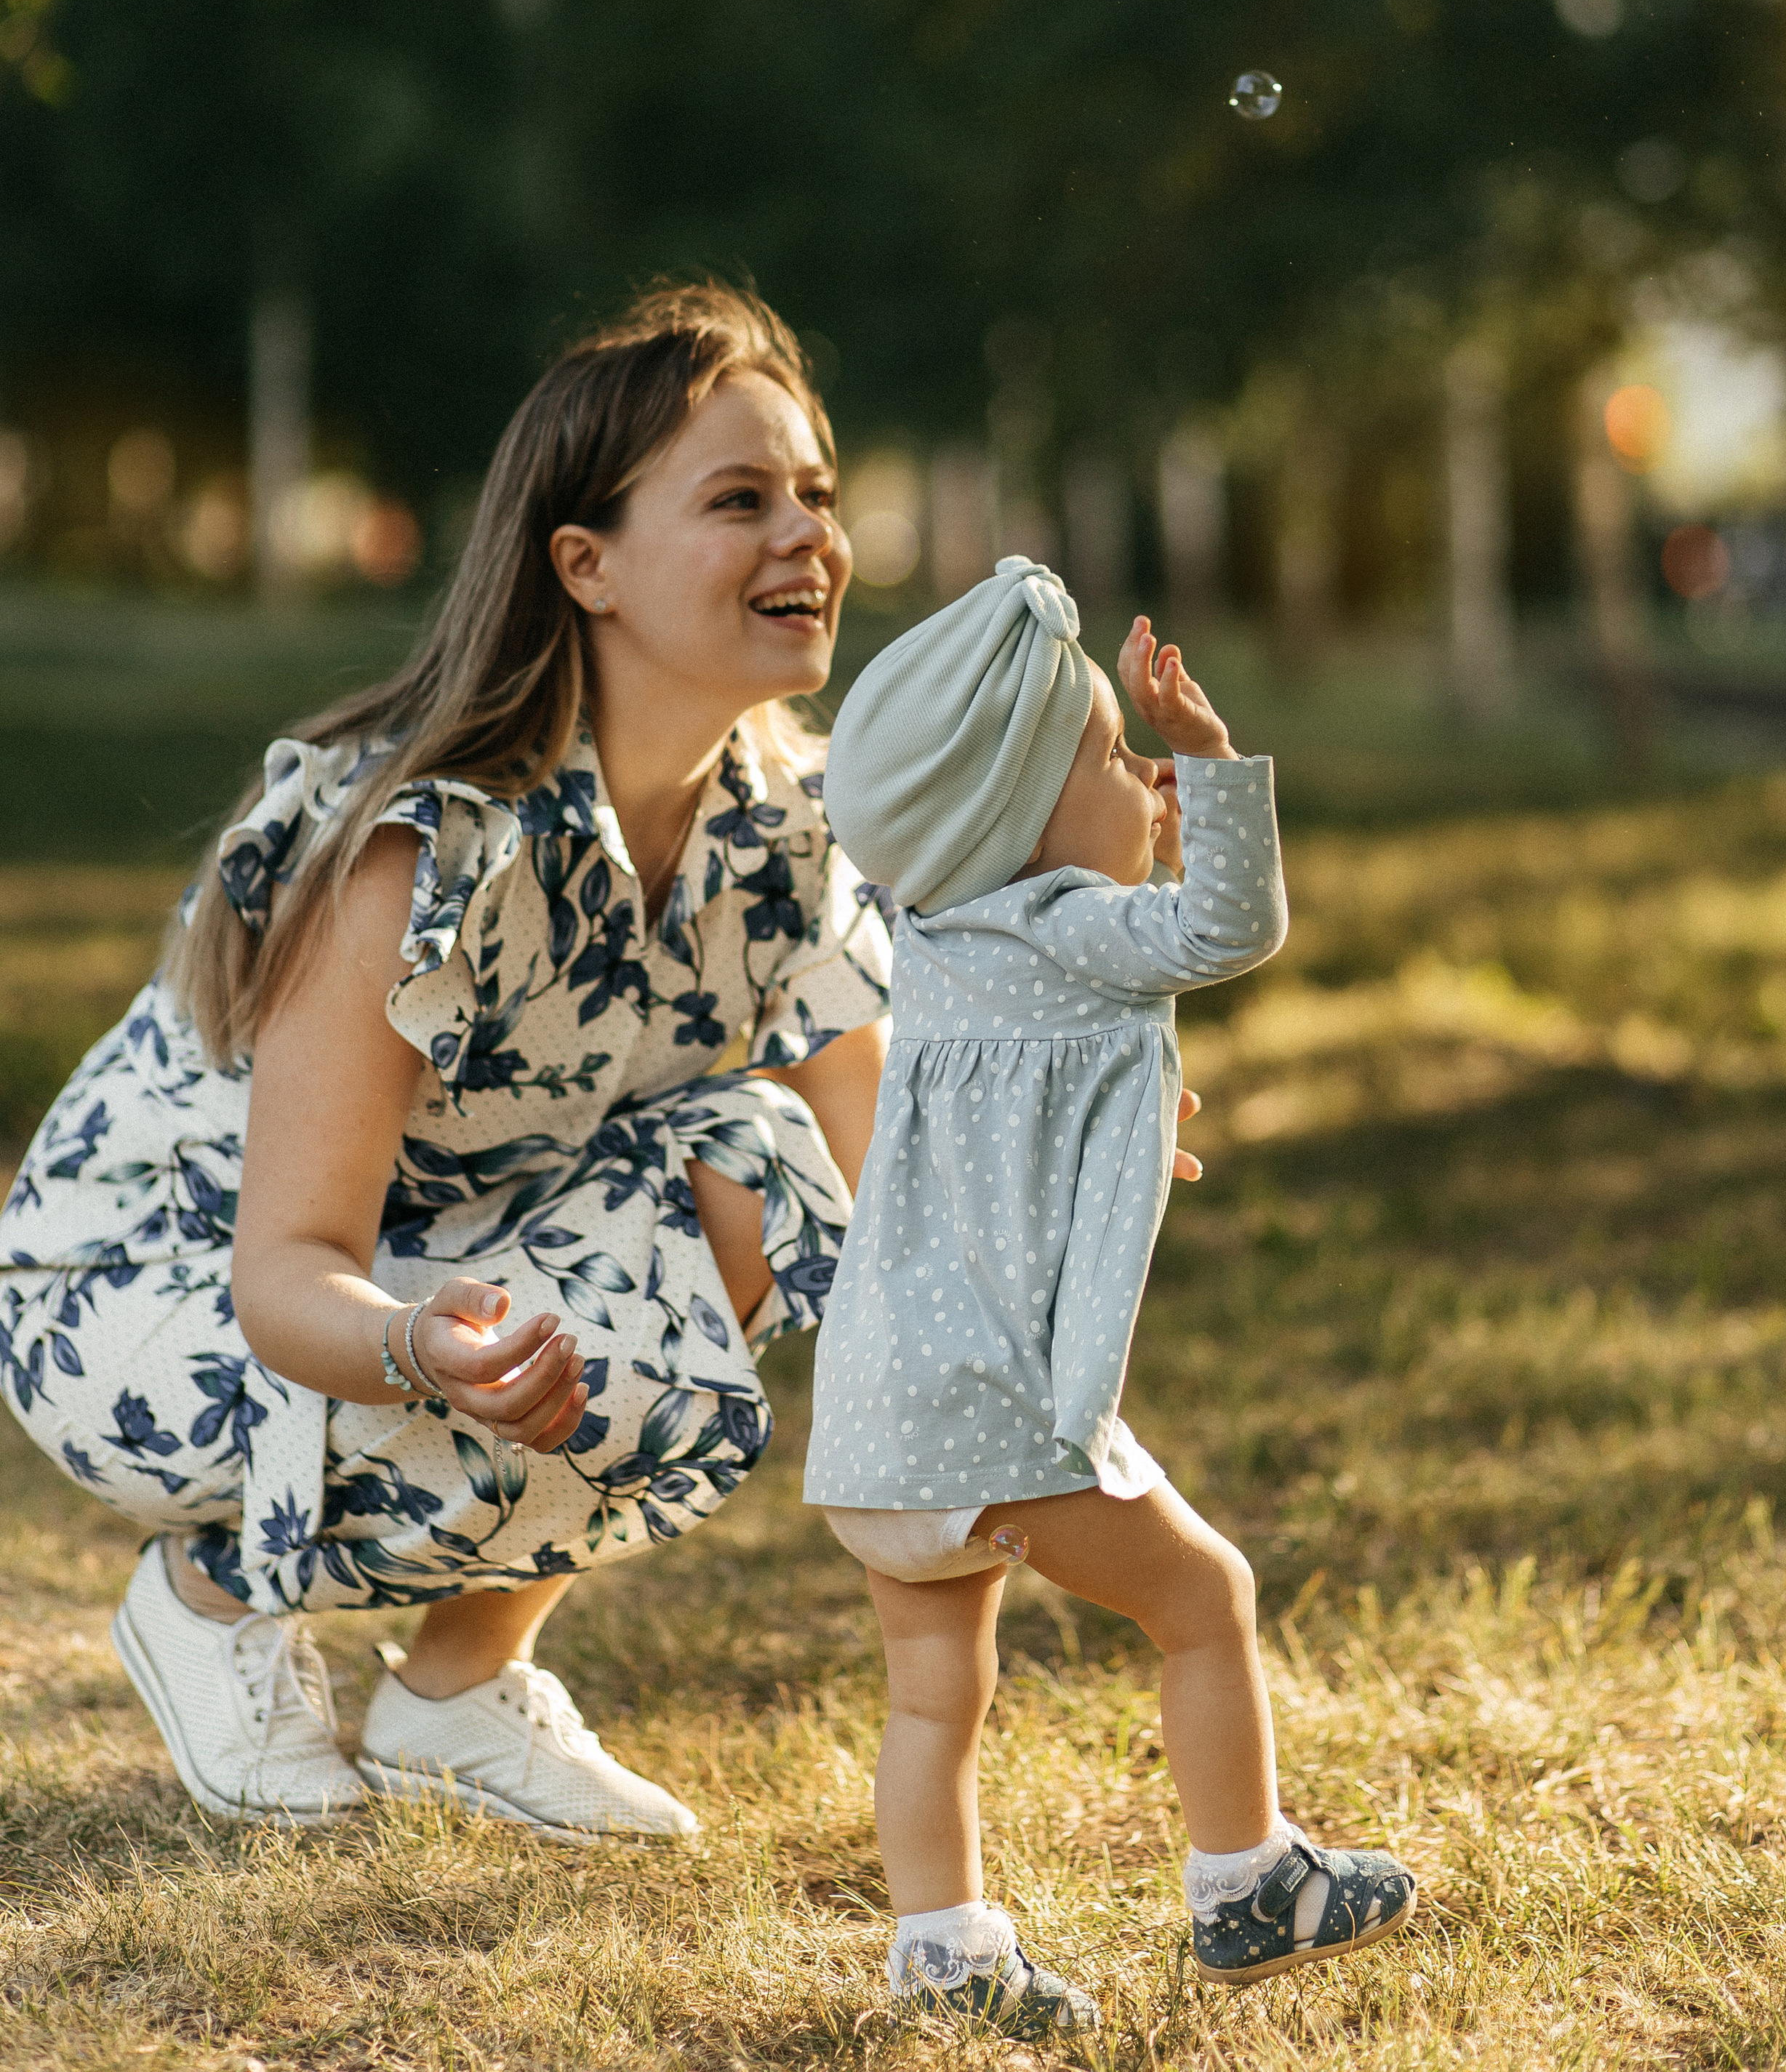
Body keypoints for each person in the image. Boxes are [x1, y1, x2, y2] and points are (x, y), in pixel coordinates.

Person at [0, 283, 891, 1838]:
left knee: (761, 1162)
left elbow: (886, 1160)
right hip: (158, 1291)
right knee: (547, 1319)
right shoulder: (428, 850)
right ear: (584, 563)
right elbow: (287, 1269)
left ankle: (457, 1688)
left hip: (436, 1261)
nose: (805, 533)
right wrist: (427, 1348)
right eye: (740, 498)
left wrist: (1080, 1116)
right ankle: (209, 1596)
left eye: (816, 493)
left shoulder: (786, 831)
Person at [806, 557, 1416, 2028]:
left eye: (1145, 756)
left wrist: (1126, 1140)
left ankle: (942, 1951)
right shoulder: (1070, 925)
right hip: (986, 1407)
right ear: (1016, 824)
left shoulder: (940, 942)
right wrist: (1212, 771)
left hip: (876, 1413)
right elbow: (1225, 933)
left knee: (932, 1693)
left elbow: (1011, 1123)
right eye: (1109, 757)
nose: (1139, 773)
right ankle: (1244, 1882)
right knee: (1206, 1598)